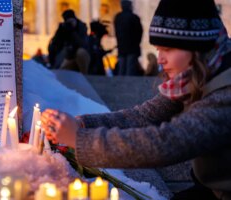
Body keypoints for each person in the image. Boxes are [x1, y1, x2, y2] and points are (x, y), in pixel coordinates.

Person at [41, 0, 231, 199]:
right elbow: (144, 115)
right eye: (158, 49)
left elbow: (166, 144)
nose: (160, 59)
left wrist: (79, 139)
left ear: (197, 48)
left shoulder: (225, 92)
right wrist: (84, 123)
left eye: (167, 49)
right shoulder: (193, 74)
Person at [48, 9, 90, 74]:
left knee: (81, 52)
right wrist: (60, 31)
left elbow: (82, 44)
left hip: (79, 55)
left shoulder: (81, 27)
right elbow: (55, 45)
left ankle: (85, 75)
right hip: (69, 57)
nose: (69, 23)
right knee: (60, 72)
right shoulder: (64, 28)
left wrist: (73, 31)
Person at [114, 0, 143, 76]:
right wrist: (137, 43)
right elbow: (139, 32)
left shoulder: (118, 17)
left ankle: (119, 84)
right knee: (130, 69)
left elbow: (116, 32)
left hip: (122, 46)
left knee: (122, 67)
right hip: (132, 47)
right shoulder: (134, 17)